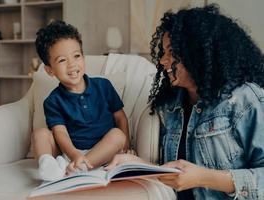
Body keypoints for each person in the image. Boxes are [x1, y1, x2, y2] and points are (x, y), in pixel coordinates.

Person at [105, 4, 264, 200]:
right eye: (163, 52)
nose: (163, 61)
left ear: (198, 53)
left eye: (171, 52)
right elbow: (178, 174)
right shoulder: (171, 106)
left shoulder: (244, 100)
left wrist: (204, 178)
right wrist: (136, 164)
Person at [33, 20, 130, 181]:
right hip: (68, 153)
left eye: (76, 56)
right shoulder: (53, 100)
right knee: (40, 134)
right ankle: (48, 166)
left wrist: (126, 146)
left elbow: (120, 117)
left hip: (103, 150)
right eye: (62, 60)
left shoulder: (103, 86)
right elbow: (60, 132)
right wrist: (74, 155)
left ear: (83, 57)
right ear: (49, 70)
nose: (72, 65)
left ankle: (81, 168)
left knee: (118, 135)